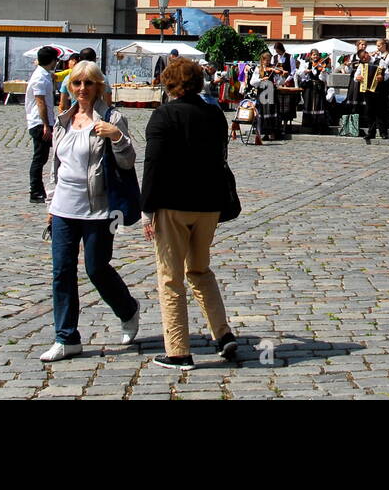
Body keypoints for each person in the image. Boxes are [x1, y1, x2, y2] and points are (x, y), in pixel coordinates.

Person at [40, 61, 141, 362]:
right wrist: (50, 204)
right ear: (69, 87)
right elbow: (55, 168)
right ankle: (66, 337)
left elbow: (128, 161)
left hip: (99, 210)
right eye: (76, 83)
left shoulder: (112, 118)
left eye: (88, 83)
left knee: (96, 268)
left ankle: (128, 309)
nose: (82, 89)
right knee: (62, 272)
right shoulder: (62, 121)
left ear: (99, 87)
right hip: (63, 208)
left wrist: (117, 137)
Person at [142, 58, 239, 368]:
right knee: (199, 270)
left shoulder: (163, 116)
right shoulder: (214, 115)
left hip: (172, 203)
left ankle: (178, 350)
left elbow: (153, 165)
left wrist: (146, 209)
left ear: (169, 84)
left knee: (170, 277)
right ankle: (223, 334)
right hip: (209, 204)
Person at [26, 46, 59, 204]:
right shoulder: (40, 77)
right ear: (51, 60)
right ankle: (36, 191)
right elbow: (40, 103)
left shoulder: (44, 75)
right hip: (39, 122)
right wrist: (46, 124)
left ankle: (39, 190)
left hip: (43, 121)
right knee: (40, 157)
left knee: (43, 156)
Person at [354, 50, 389, 144]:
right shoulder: (362, 65)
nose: (364, 59)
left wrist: (382, 77)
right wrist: (358, 78)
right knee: (369, 111)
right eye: (362, 58)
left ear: (367, 53)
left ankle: (383, 132)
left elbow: (387, 73)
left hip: (379, 89)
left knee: (380, 111)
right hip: (367, 90)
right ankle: (371, 132)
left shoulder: (380, 61)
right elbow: (355, 76)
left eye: (364, 56)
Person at [298, 50, 329, 134]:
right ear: (311, 56)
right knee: (309, 105)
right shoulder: (306, 63)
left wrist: (322, 72)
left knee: (319, 105)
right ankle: (310, 125)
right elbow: (300, 73)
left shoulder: (321, 64)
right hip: (309, 87)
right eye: (314, 55)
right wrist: (306, 71)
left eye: (317, 55)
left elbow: (323, 79)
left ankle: (319, 126)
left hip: (319, 87)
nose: (316, 57)